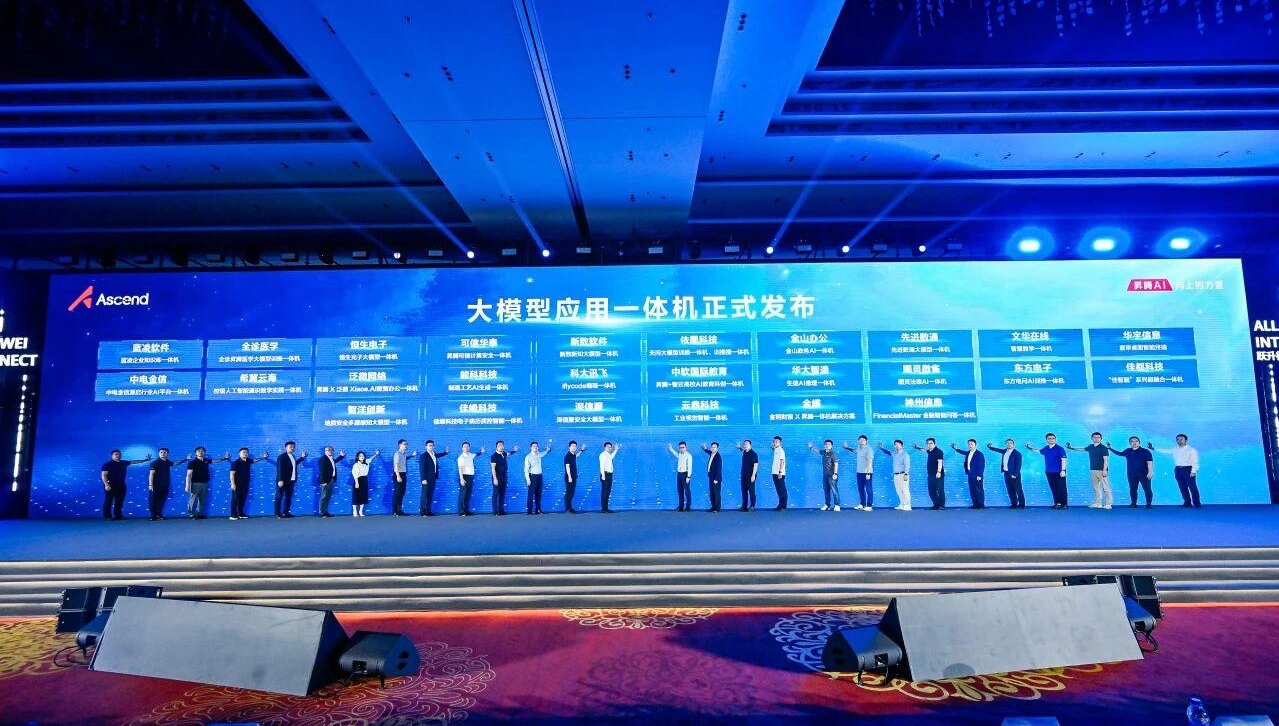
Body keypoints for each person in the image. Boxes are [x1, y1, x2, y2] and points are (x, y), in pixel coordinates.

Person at [101, 449, 152, 521]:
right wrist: (106, 485)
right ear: (112, 456)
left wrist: (145, 460)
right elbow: (103, 475)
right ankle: (107, 516)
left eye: (119, 454)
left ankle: (118, 515)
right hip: (110, 485)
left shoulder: (123, 462)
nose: (118, 455)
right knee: (108, 501)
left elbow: (134, 462)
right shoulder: (107, 464)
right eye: (116, 454)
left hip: (121, 485)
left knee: (120, 501)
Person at [1151, 434, 1200, 507]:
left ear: (1186, 440)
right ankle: (1187, 503)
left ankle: (1197, 504)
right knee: (1182, 487)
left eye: (1181, 439)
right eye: (1178, 439)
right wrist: (1154, 448)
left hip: (1188, 469)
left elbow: (1195, 461)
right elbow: (1166, 451)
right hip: (1178, 470)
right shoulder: (1175, 449)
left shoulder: (1191, 450)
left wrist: (1193, 471)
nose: (1179, 441)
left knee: (1192, 487)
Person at [1067, 432, 1113, 509]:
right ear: (1092, 438)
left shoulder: (1104, 448)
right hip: (1093, 470)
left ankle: (1108, 504)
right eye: (1095, 437)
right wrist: (1071, 448)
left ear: (1101, 438)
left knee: (1106, 488)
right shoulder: (1090, 446)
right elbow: (1082, 449)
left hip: (1102, 470)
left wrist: (1105, 470)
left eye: (1098, 437)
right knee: (1096, 487)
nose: (1096, 438)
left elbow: (1106, 460)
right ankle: (1098, 503)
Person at [1107, 436, 1155, 508]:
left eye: (1136, 441)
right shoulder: (1128, 451)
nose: (1134, 442)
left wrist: (1150, 472)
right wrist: (1110, 448)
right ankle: (1133, 503)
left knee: (1147, 489)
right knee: (1133, 489)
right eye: (1132, 441)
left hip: (1144, 474)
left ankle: (1148, 504)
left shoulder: (1145, 451)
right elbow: (1120, 453)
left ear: (1139, 442)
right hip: (1131, 474)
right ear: (1130, 443)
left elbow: (1149, 462)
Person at [186, 447, 230, 519]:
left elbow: (215, 461)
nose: (200, 452)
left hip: (205, 483)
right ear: (196, 453)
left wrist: (224, 458)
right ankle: (191, 514)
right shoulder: (192, 462)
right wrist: (187, 485)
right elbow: (188, 475)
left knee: (202, 500)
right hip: (195, 483)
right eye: (198, 451)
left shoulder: (206, 460)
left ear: (204, 452)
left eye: (202, 451)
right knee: (193, 499)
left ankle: (200, 514)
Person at [1026, 433, 1068, 508]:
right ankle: (1057, 503)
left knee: (1062, 488)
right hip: (1049, 472)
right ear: (1046, 440)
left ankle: (1064, 504)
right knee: (1054, 488)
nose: (1051, 440)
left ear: (1055, 439)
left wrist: (1063, 470)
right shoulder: (1046, 448)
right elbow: (1039, 451)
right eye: (1049, 438)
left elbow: (1064, 460)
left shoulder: (1060, 449)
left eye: (1053, 438)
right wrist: (1030, 448)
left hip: (1059, 472)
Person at [147, 448, 188, 521]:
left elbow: (175, 463)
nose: (163, 453)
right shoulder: (155, 463)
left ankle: (159, 515)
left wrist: (185, 459)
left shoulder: (167, 462)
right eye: (161, 452)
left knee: (161, 500)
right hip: (155, 485)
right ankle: (153, 516)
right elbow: (151, 475)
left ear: (167, 454)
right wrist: (150, 485)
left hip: (165, 485)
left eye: (165, 452)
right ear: (159, 453)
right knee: (153, 500)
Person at [229, 447, 269, 520]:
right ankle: (233, 515)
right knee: (235, 499)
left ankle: (241, 514)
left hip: (245, 484)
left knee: (242, 499)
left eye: (246, 452)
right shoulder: (235, 463)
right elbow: (232, 474)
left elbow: (255, 460)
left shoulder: (248, 461)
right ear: (239, 453)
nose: (245, 453)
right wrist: (233, 484)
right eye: (243, 452)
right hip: (237, 484)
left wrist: (263, 457)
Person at [986, 439, 1024, 509]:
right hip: (1006, 473)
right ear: (1006, 444)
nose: (1009, 444)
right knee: (1010, 489)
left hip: (1014, 474)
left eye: (1010, 443)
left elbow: (1018, 465)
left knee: (1018, 489)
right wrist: (990, 447)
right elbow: (997, 450)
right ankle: (1014, 504)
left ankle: (1022, 505)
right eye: (1007, 443)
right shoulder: (1004, 451)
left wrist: (1015, 474)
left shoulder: (1017, 453)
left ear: (1013, 444)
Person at [274, 441, 308, 518]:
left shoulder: (293, 456)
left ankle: (286, 512)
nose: (292, 448)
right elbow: (279, 469)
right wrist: (280, 480)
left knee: (288, 497)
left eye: (293, 447)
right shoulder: (281, 457)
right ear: (286, 448)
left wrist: (302, 457)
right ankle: (277, 513)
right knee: (279, 497)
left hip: (291, 480)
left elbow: (294, 464)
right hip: (283, 481)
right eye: (290, 447)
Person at [950, 439, 986, 509]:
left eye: (972, 444)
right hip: (970, 473)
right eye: (969, 444)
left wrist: (979, 475)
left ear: (976, 445)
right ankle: (975, 504)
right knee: (972, 489)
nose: (970, 445)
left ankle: (981, 505)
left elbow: (981, 465)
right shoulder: (968, 453)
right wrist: (955, 448)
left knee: (979, 490)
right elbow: (962, 452)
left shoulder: (979, 454)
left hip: (977, 475)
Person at [842, 436, 875, 511]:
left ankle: (869, 506)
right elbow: (854, 450)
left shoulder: (869, 449)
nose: (862, 441)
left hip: (867, 473)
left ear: (866, 441)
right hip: (859, 472)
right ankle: (862, 504)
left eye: (863, 440)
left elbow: (870, 461)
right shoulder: (859, 448)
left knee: (869, 490)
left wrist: (868, 473)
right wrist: (846, 447)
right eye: (860, 440)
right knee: (860, 489)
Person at [807, 440, 841, 512]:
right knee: (826, 490)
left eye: (829, 444)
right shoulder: (824, 452)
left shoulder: (833, 453)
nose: (827, 445)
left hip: (832, 476)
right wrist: (811, 447)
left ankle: (837, 505)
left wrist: (835, 474)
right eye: (826, 444)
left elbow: (836, 464)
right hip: (825, 475)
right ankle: (827, 505)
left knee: (834, 490)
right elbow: (818, 451)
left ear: (831, 446)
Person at [418, 440, 449, 516]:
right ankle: (422, 512)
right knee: (424, 495)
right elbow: (422, 468)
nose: (431, 447)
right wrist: (423, 479)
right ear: (426, 447)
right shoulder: (423, 456)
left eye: (432, 445)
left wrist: (445, 452)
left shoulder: (434, 454)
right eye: (429, 445)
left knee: (430, 495)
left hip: (433, 478)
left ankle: (428, 511)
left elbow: (439, 455)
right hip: (426, 479)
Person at [878, 440, 911, 511]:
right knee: (898, 490)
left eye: (898, 444)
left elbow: (907, 465)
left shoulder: (905, 454)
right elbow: (888, 452)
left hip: (903, 474)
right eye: (895, 445)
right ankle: (902, 504)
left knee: (905, 490)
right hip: (896, 475)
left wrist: (906, 473)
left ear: (902, 445)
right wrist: (881, 448)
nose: (896, 446)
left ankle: (908, 505)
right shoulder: (894, 453)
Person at [914, 439, 945, 509]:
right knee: (931, 491)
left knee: (940, 490)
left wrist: (939, 472)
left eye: (931, 443)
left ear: (934, 443)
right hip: (930, 474)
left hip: (937, 474)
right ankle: (936, 505)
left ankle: (941, 505)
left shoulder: (939, 451)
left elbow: (940, 462)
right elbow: (924, 450)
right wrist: (917, 447)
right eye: (928, 443)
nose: (929, 444)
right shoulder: (930, 451)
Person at [489, 440, 519, 515]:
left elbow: (509, 453)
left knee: (502, 494)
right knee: (495, 494)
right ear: (496, 447)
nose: (501, 446)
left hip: (504, 477)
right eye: (499, 445)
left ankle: (501, 510)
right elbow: (493, 468)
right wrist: (495, 478)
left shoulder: (504, 454)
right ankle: (495, 511)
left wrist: (515, 451)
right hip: (497, 477)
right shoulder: (493, 456)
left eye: (502, 445)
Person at [316, 446, 346, 518]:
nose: (330, 451)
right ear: (325, 451)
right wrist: (323, 481)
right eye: (328, 450)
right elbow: (321, 471)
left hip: (331, 479)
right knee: (323, 496)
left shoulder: (331, 458)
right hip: (325, 481)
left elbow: (334, 462)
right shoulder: (323, 459)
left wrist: (341, 456)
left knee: (328, 496)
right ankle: (321, 513)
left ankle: (325, 512)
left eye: (331, 450)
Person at [456, 442, 485, 516]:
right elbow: (460, 469)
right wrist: (461, 479)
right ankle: (461, 511)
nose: (466, 448)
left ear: (469, 447)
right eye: (465, 446)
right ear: (462, 448)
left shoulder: (470, 455)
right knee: (463, 494)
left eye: (467, 446)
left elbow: (476, 454)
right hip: (464, 477)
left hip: (471, 477)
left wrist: (482, 452)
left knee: (468, 494)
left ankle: (466, 510)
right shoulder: (461, 457)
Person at [391, 439, 418, 517]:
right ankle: (395, 511)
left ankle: (399, 510)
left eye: (406, 444)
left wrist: (412, 455)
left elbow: (405, 459)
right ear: (400, 445)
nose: (406, 445)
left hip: (403, 474)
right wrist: (398, 476)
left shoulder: (403, 454)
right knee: (397, 493)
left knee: (401, 493)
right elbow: (396, 466)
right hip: (398, 474)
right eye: (404, 444)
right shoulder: (397, 454)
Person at [524, 441, 552, 514]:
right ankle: (529, 511)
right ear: (531, 447)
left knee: (538, 494)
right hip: (532, 477)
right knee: (531, 494)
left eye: (536, 446)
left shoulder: (538, 454)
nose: (535, 447)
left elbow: (544, 453)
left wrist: (547, 450)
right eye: (534, 446)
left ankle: (538, 510)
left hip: (539, 476)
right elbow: (526, 470)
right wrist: (528, 480)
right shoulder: (528, 457)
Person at [350, 449, 380, 517]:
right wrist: (356, 483)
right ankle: (355, 511)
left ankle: (361, 511)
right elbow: (354, 474)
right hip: (358, 480)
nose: (361, 457)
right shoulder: (356, 464)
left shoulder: (366, 462)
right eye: (360, 456)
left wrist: (376, 454)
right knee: (356, 495)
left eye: (363, 456)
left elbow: (371, 459)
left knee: (363, 495)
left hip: (364, 480)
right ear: (357, 457)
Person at [668, 441, 693, 512]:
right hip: (679, 474)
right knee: (680, 491)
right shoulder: (680, 454)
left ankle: (688, 507)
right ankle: (681, 506)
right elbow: (676, 454)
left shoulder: (689, 456)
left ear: (686, 447)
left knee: (687, 491)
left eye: (683, 447)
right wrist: (671, 449)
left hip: (685, 474)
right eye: (680, 448)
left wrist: (688, 477)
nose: (682, 449)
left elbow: (690, 467)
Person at [563, 441, 586, 513]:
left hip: (573, 477)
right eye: (572, 446)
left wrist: (581, 450)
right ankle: (568, 508)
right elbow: (567, 467)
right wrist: (569, 477)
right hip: (570, 478)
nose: (574, 447)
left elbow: (576, 456)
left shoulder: (572, 455)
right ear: (569, 447)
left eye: (575, 446)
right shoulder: (568, 456)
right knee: (569, 493)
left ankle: (569, 507)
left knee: (571, 493)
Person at [736, 440, 759, 511]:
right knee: (744, 491)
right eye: (744, 444)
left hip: (750, 476)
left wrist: (753, 475)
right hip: (744, 475)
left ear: (750, 445)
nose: (745, 445)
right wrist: (739, 448)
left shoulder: (754, 454)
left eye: (747, 444)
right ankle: (744, 506)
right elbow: (742, 450)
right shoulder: (745, 452)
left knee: (751, 491)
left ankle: (752, 506)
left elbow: (756, 465)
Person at [598, 441, 621, 513]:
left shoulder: (608, 455)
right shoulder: (602, 455)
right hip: (605, 474)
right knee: (605, 492)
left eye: (610, 447)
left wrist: (616, 450)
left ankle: (606, 508)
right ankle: (603, 508)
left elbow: (612, 457)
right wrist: (603, 475)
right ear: (604, 447)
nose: (609, 448)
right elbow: (602, 465)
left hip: (609, 475)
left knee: (608, 492)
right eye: (608, 447)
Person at [701, 442, 723, 512]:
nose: (713, 448)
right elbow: (708, 451)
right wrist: (704, 449)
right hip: (711, 476)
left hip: (716, 478)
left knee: (716, 493)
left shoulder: (718, 457)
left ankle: (717, 508)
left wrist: (716, 479)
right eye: (712, 447)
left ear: (717, 448)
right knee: (712, 493)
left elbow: (719, 469)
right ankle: (713, 507)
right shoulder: (711, 453)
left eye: (714, 447)